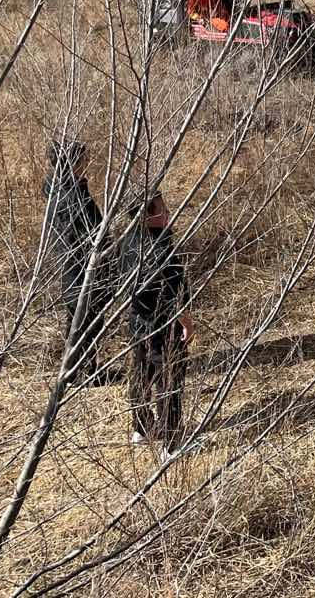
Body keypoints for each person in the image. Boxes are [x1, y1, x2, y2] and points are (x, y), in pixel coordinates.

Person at [121, 191, 192, 456]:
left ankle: (141, 428)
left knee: (141, 373)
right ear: (147, 216)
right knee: (169, 381)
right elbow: (175, 292)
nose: (168, 213)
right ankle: (171, 445)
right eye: (162, 209)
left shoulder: (128, 241)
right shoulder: (162, 248)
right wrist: (186, 321)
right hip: (164, 325)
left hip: (138, 323)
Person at [42, 140, 114, 385]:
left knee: (76, 321)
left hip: (69, 268)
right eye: (82, 160)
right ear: (72, 164)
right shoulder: (75, 198)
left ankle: (75, 371)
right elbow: (96, 237)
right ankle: (85, 375)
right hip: (83, 270)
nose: (87, 164)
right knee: (88, 322)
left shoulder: (55, 190)